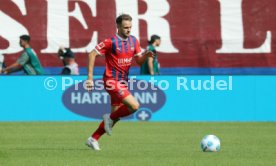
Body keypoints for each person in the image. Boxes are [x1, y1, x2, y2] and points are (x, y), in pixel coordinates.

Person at [85, 14, 154, 151]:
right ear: (117, 26)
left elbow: (139, 62)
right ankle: (108, 118)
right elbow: (92, 54)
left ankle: (93, 138)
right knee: (134, 106)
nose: (128, 30)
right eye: (125, 27)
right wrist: (89, 78)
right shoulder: (110, 42)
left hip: (123, 82)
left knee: (114, 117)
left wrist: (145, 56)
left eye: (130, 27)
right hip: (111, 80)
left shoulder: (134, 41)